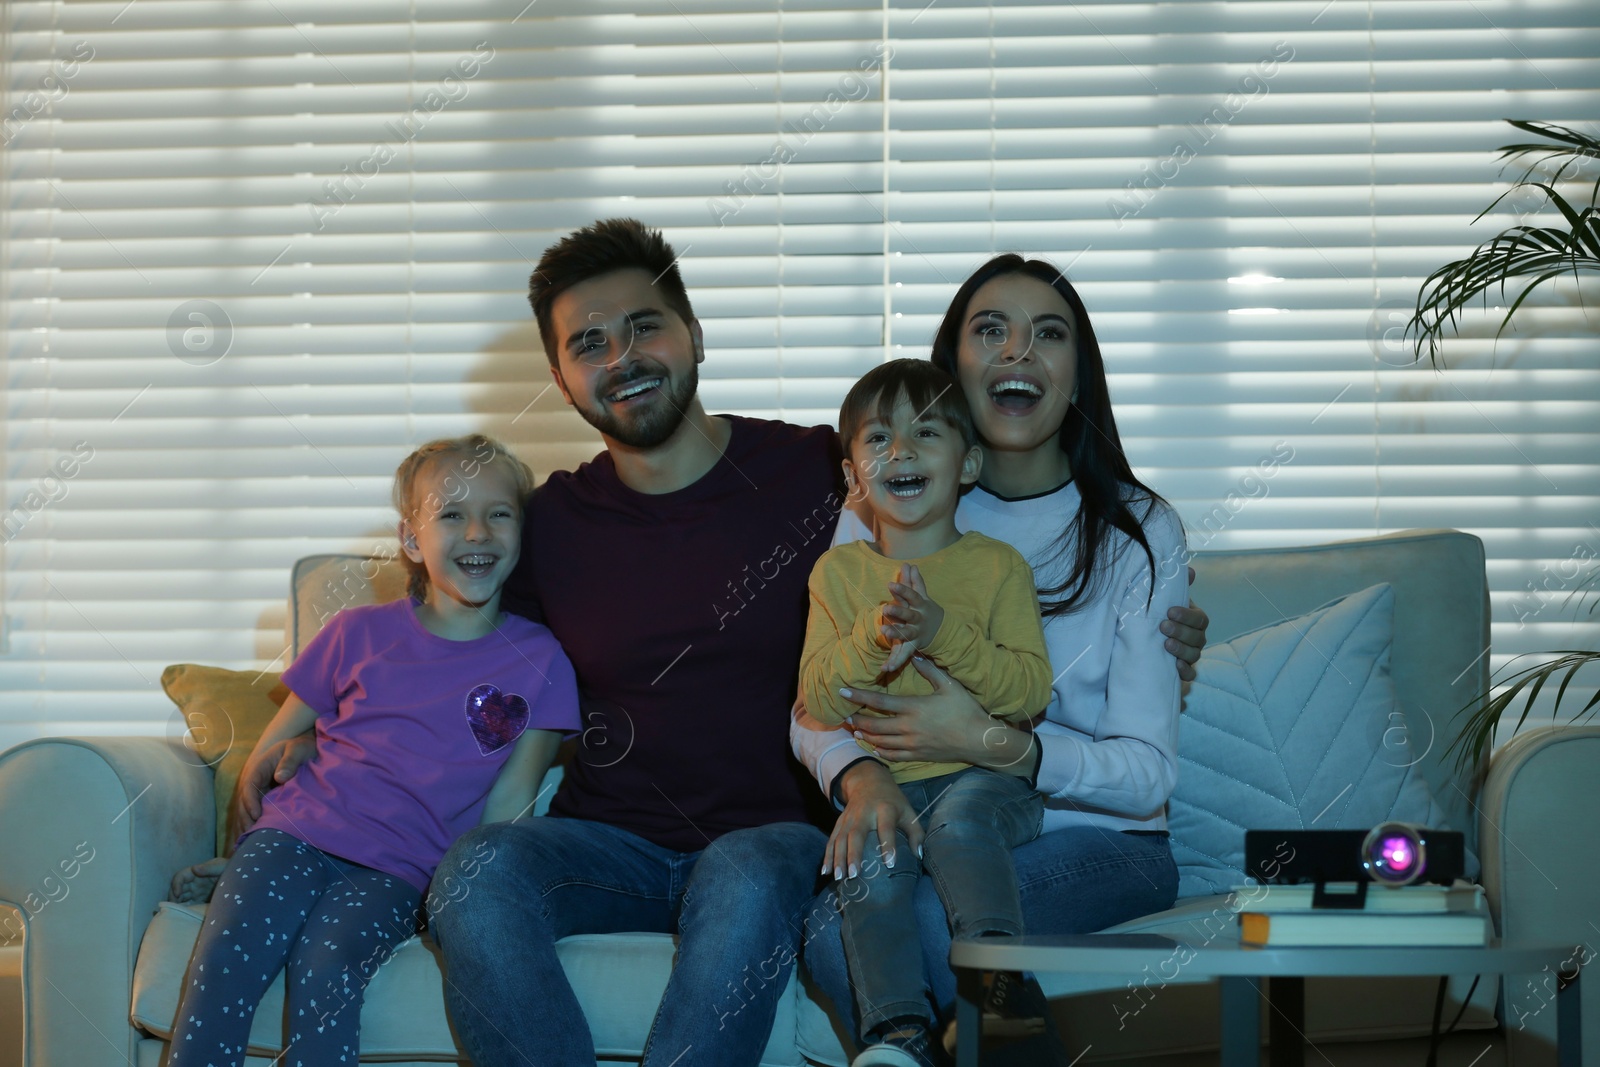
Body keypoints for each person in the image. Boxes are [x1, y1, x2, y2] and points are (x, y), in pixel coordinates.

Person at [234, 220, 1211, 1066]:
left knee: (760, 882)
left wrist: (1145, 654)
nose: (623, 355)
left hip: (772, 836)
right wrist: (298, 720)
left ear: (694, 332)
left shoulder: (820, 473)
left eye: (645, 324)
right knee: (480, 872)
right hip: (608, 835)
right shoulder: (551, 523)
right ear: (560, 373)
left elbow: (944, 561)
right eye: (589, 341)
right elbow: (440, 628)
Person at [793, 254, 1191, 1062]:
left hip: (1100, 837)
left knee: (918, 925)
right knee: (835, 929)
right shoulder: (890, 497)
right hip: (913, 811)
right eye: (989, 332)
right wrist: (861, 775)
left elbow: (1149, 772)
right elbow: (811, 708)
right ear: (954, 370)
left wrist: (991, 742)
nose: (1018, 352)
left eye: (1049, 334)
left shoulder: (1138, 532)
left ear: (1078, 378)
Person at [164, 435, 579, 1067]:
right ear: (412, 540)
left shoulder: (543, 659)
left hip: (403, 873)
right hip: (296, 837)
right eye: (450, 514)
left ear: (521, 534)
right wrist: (241, 849)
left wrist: (461, 900)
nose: (477, 531)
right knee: (225, 964)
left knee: (326, 971)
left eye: (499, 513)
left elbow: (512, 803)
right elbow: (267, 755)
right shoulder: (355, 633)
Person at [800, 358, 1054, 1066]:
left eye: (925, 433)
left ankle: (999, 991)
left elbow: (1028, 690)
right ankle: (897, 1032)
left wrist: (940, 630)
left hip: (987, 780)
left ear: (968, 463)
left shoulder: (999, 566)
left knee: (961, 823)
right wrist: (871, 632)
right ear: (854, 477)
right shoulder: (838, 575)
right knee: (867, 863)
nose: (901, 452)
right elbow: (818, 699)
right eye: (878, 438)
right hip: (890, 782)